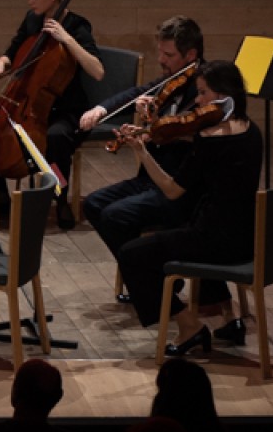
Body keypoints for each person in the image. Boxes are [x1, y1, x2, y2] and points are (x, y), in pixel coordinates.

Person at [77, 18, 223, 324]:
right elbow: (136, 93)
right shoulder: (171, 82)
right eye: (160, 52)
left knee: (116, 216)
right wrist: (102, 110)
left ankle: (151, 285)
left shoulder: (207, 89)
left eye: (169, 55)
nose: (161, 60)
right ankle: (151, 279)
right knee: (93, 204)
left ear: (191, 55)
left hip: (179, 188)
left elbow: (196, 137)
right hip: (152, 178)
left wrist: (154, 128)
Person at [114, 60, 264, 354]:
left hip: (215, 241)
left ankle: (188, 326)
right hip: (247, 238)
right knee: (182, 225)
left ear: (223, 96)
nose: (197, 100)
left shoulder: (209, 139)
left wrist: (142, 151)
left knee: (131, 254)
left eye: (203, 93)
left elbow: (172, 190)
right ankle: (227, 317)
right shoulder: (251, 130)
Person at [0, 0, 104, 226]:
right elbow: (13, 50)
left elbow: (97, 71)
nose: (30, 1)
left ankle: (59, 197)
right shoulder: (32, 20)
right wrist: (1, 63)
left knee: (55, 138)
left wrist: (67, 39)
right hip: (28, 105)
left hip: (66, 110)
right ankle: (0, 193)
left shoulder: (77, 25)